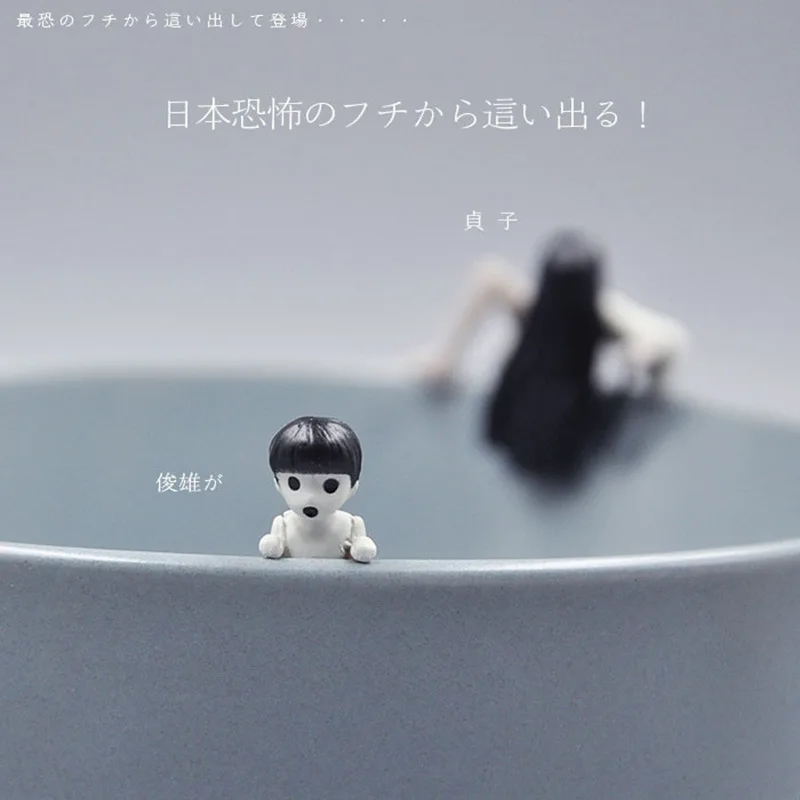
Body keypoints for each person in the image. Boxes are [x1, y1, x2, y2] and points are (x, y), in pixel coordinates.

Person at [418, 231, 689, 481]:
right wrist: (447, 357)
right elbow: (490, 277)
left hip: (567, 433)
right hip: (515, 417)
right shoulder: (538, 307)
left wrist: (640, 358)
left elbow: (666, 339)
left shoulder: (599, 315)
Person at [258, 415, 377, 562]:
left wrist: (360, 547)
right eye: (294, 484)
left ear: (352, 487)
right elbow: (273, 549)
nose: (310, 498)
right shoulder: (282, 525)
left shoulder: (351, 526)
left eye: (330, 486)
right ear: (278, 484)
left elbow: (362, 550)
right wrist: (274, 545)